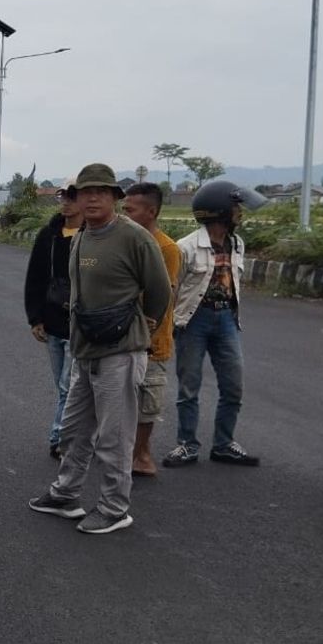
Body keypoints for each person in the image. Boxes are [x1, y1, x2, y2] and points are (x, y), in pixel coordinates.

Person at [28, 164, 170, 534]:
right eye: (84, 192)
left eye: (100, 192)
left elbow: (160, 291)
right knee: (74, 430)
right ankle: (66, 494)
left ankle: (114, 507)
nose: (91, 198)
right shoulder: (82, 237)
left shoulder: (134, 238)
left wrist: (146, 325)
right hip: (85, 349)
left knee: (114, 436)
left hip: (121, 351)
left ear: (114, 198)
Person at [162, 180, 267, 468]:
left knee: (234, 386)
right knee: (188, 388)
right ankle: (187, 445)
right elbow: (172, 287)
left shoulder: (237, 244)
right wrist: (168, 324)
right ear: (219, 211)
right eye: (235, 208)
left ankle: (223, 444)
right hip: (193, 321)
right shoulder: (186, 247)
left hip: (227, 320)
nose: (240, 213)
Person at [122, 182, 180, 476]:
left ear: (151, 212)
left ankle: (141, 454)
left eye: (130, 210)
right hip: (122, 337)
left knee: (148, 400)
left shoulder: (166, 248)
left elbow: (161, 295)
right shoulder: (122, 241)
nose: (124, 215)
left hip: (152, 340)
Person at [23, 182, 82, 459]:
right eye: (63, 196)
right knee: (62, 382)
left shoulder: (92, 236)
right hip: (52, 320)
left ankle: (59, 437)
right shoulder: (49, 235)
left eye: (72, 197)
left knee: (67, 385)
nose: (66, 202)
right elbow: (35, 278)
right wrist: (35, 318)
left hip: (78, 324)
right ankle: (72, 434)